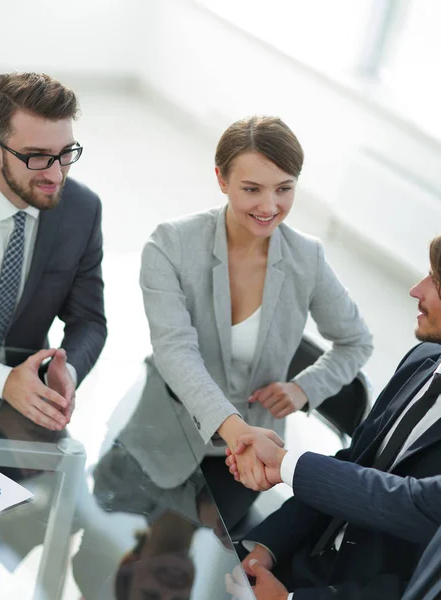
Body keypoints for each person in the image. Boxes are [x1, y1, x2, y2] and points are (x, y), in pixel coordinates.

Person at [136, 115, 373, 528]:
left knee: (209, 554)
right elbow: (175, 352)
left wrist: (305, 388)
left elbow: (356, 341)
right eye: (252, 189)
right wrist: (234, 429)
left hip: (251, 455)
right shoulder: (170, 245)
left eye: (284, 189)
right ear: (221, 179)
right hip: (166, 433)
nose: (269, 207)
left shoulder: (307, 258)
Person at [225, 234, 441, 599]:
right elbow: (354, 464)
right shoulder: (422, 359)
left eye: (436, 281)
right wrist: (267, 546)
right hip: (297, 563)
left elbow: (419, 577)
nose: (415, 290)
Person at [0, 72, 107, 431]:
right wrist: (0, 379)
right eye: (37, 157)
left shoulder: (82, 209)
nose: (57, 175)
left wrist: (66, 372)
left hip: (24, 404)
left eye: (65, 154)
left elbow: (89, 320)